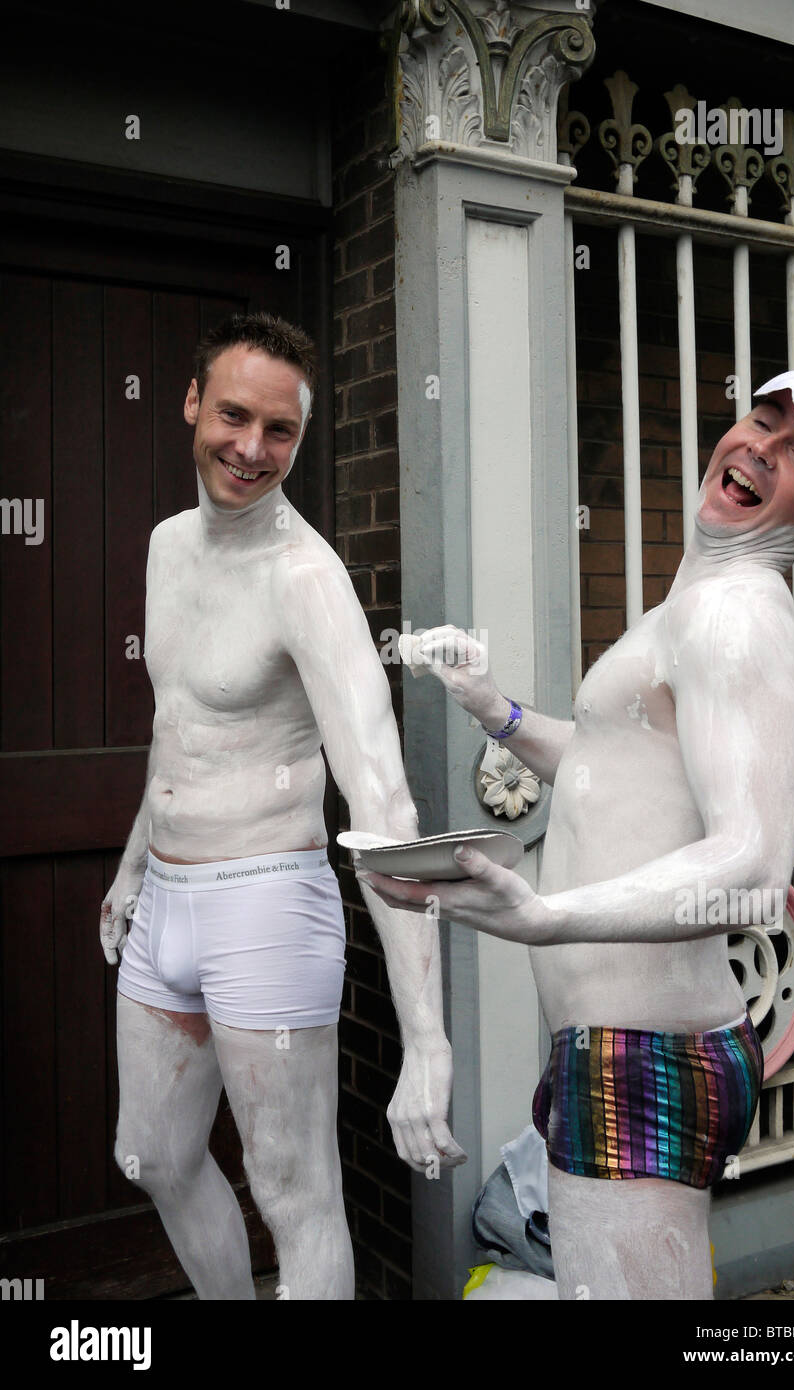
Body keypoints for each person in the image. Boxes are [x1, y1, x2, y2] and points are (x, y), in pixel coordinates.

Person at [360, 365, 794, 1300]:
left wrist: (546, 916)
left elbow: (751, 871)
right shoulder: (694, 602)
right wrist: (495, 709)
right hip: (617, 1045)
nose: (760, 446)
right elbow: (610, 764)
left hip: (643, 1054)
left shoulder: (734, 617)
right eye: (762, 420)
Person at [99, 312, 464, 1301]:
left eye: (279, 431)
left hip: (267, 900)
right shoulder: (167, 547)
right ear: (191, 405)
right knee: (153, 1154)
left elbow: (384, 798)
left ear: (300, 437)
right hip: (165, 897)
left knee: (294, 1195)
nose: (251, 449)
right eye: (233, 416)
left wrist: (425, 1038)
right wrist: (135, 865)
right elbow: (181, 726)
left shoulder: (307, 580)